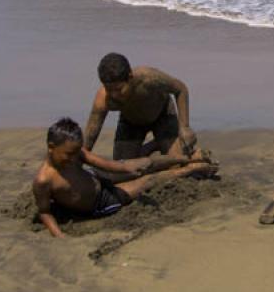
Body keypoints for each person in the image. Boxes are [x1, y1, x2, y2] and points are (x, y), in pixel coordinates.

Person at [33, 118, 215, 238]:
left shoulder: (74, 152)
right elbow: (44, 212)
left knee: (144, 164)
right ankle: (191, 168)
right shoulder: (44, 180)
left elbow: (102, 163)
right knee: (147, 181)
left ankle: (187, 158)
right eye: (69, 154)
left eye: (76, 153)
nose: (74, 158)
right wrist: (59, 235)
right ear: (51, 147)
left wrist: (125, 167)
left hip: (95, 176)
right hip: (100, 202)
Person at [84, 53, 198, 161]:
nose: (114, 95)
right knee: (122, 169)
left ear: (130, 77)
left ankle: (162, 141)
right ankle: (154, 145)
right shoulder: (104, 100)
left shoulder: (148, 78)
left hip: (162, 114)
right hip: (131, 122)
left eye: (119, 89)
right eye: (109, 90)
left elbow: (181, 89)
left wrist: (184, 127)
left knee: (177, 162)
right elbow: (89, 137)